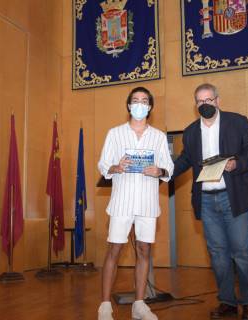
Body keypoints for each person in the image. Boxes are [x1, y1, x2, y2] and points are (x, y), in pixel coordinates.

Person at [173, 83, 248, 320]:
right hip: (207, 201)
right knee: (218, 254)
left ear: (218, 100)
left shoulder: (238, 122)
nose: (205, 105)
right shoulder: (191, 132)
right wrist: (163, 172)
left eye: (208, 100)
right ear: (196, 105)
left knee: (242, 252)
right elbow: (184, 161)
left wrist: (237, 163)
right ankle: (227, 302)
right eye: (200, 102)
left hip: (235, 197)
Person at [97, 87, 174, 320]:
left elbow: (168, 169)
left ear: (150, 106)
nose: (139, 104)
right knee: (115, 249)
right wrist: (116, 167)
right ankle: (104, 305)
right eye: (135, 100)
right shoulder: (115, 133)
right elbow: (103, 165)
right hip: (121, 201)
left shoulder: (159, 136)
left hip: (148, 203)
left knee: (144, 250)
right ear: (129, 105)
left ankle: (139, 304)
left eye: (144, 101)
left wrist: (158, 170)